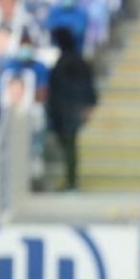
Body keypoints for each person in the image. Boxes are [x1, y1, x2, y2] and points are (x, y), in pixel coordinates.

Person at [47, 27, 97, 191]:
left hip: (69, 111)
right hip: (64, 111)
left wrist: (86, 106)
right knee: (68, 145)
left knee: (69, 145)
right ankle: (69, 178)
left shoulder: (69, 62)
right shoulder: (71, 61)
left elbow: (86, 87)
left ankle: (71, 180)